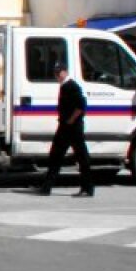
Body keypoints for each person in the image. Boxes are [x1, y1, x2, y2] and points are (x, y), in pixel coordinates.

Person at [37, 62, 94, 197]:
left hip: (73, 128)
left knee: (82, 157)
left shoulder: (72, 86)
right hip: (64, 127)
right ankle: (46, 187)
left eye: (59, 72)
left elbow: (81, 106)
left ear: (65, 72)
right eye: (55, 73)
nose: (57, 75)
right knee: (55, 156)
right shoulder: (64, 86)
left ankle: (87, 188)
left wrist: (71, 120)